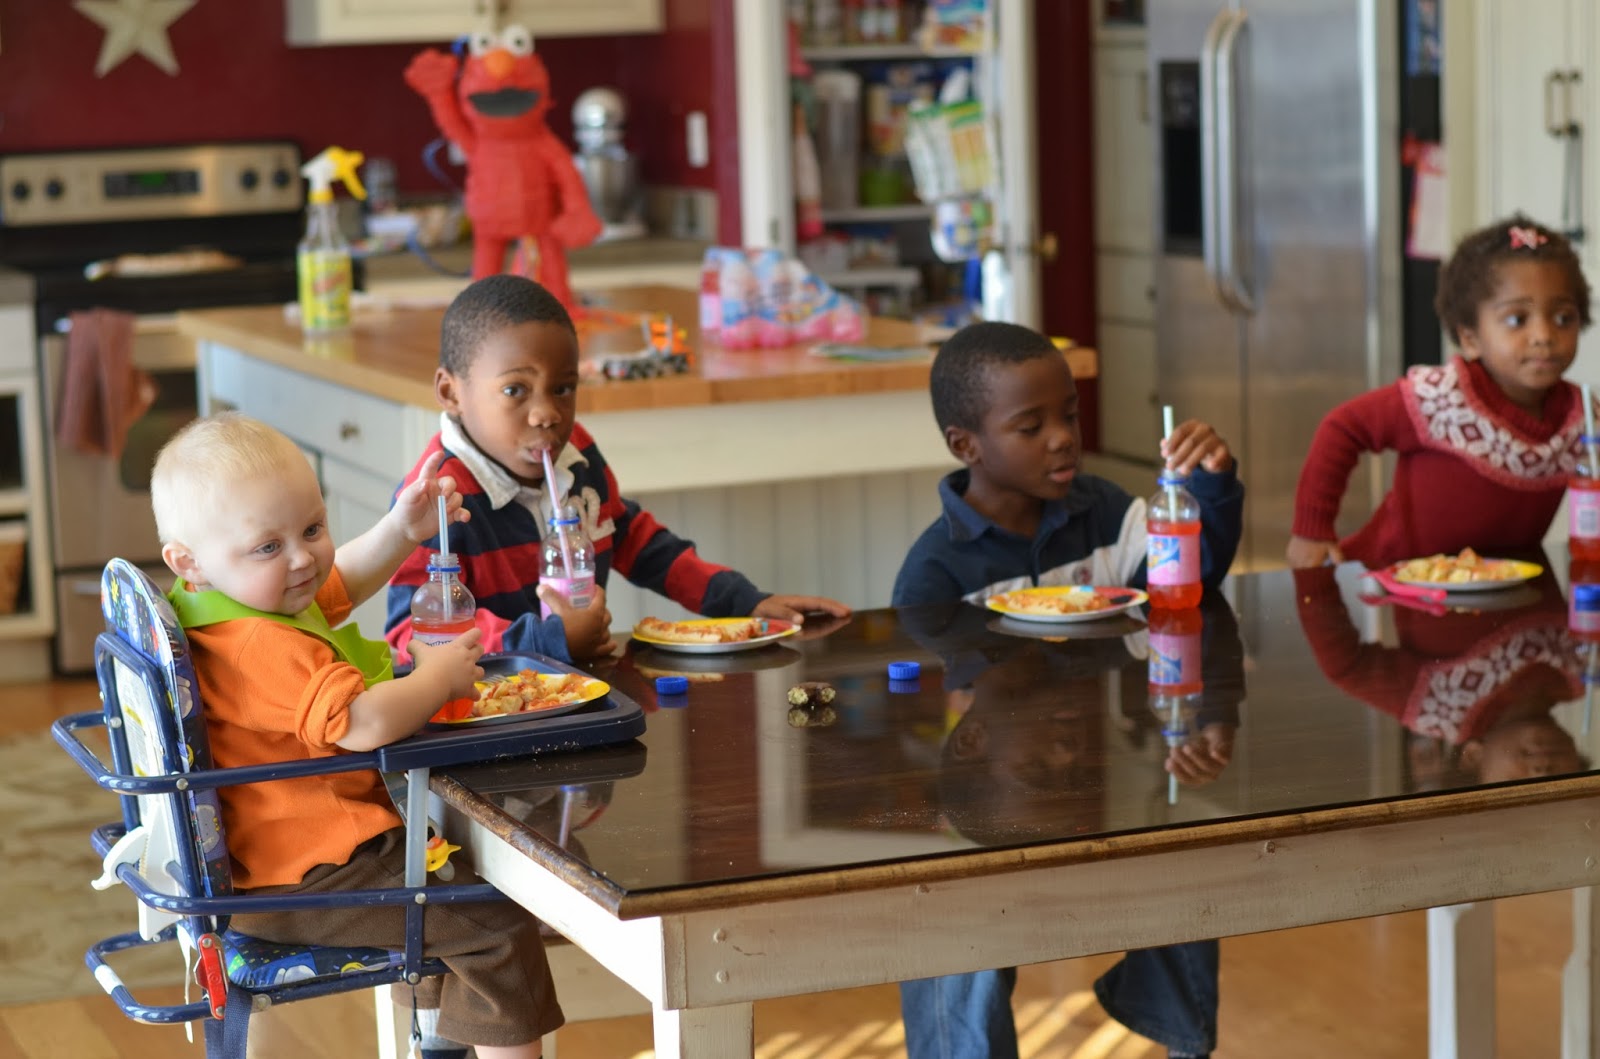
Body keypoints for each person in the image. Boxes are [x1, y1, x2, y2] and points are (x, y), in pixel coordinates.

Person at [151, 412, 559, 1059]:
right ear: (189, 560)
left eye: (313, 528)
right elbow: (364, 722)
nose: (303, 558)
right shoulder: (260, 645)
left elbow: (336, 583)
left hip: (279, 866)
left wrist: (401, 528)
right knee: (495, 926)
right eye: (269, 546)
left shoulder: (224, 601)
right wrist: (437, 676)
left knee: (452, 910)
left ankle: (442, 1046)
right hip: (311, 876)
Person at [892, 320, 1245, 1059]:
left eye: (1071, 415)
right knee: (957, 923)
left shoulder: (1105, 513)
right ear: (966, 445)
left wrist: (1208, 488)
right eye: (1032, 426)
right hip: (989, 814)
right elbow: (944, 690)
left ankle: (1180, 1038)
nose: (1063, 438)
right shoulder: (933, 575)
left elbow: (1185, 583)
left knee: (1183, 857)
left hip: (1095, 801)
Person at [385, 274, 850, 662]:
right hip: (483, 723)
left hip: (581, 696)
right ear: (450, 392)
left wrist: (746, 603)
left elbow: (634, 541)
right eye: (515, 391)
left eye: (563, 389)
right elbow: (410, 636)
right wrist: (547, 641)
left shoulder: (578, 455)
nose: (547, 413)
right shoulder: (435, 500)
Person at [1288, 215, 1595, 570]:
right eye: (1517, 319)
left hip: (1503, 592)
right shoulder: (1438, 398)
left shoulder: (1582, 416)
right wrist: (1312, 531)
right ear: (1470, 338)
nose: (1544, 335)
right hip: (1389, 582)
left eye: (1563, 318)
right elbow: (1343, 427)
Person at [1293, 559, 1587, 787]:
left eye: (1516, 784)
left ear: (1473, 757)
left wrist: (1312, 571)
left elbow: (1346, 667)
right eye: (1559, 782)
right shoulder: (1585, 672)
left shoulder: (1440, 708)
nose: (1540, 771)